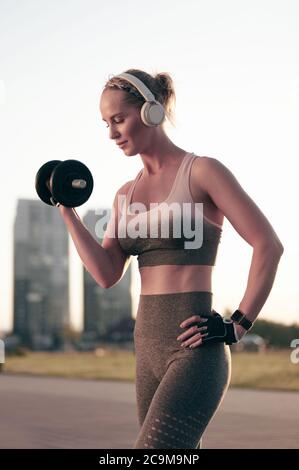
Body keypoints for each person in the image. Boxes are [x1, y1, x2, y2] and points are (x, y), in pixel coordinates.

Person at [58, 69, 284, 449]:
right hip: (146, 351)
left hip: (194, 352)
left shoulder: (202, 172)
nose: (111, 133)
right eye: (105, 123)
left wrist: (237, 325)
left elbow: (268, 245)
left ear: (150, 111)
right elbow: (106, 272)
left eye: (119, 119)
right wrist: (67, 210)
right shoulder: (124, 195)